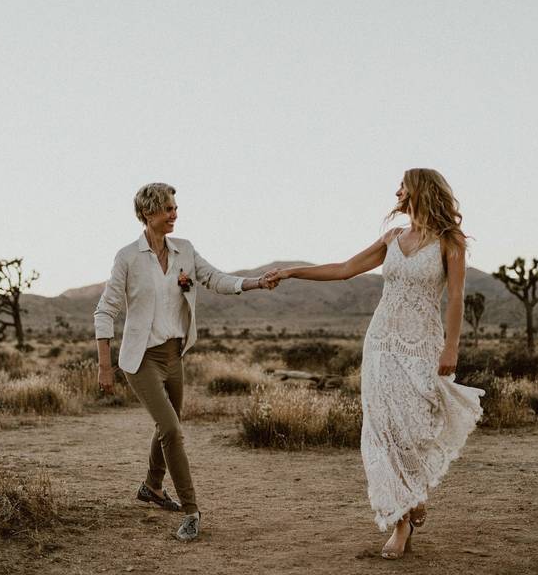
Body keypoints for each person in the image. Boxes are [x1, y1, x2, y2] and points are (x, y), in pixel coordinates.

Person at [266, 168, 484, 559]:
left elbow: (455, 297)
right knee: (383, 430)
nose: (397, 191)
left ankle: (415, 494)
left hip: (422, 346)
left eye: (403, 184)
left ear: (419, 190)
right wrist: (292, 271)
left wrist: (451, 348)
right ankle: (401, 520)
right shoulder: (392, 238)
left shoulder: (450, 242)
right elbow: (344, 269)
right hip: (381, 344)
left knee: (413, 429)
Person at [94, 182, 278, 542]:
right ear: (148, 213)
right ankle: (192, 510)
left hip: (174, 354)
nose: (175, 214)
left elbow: (215, 279)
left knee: (168, 426)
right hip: (141, 359)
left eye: (175, 208)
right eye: (168, 209)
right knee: (173, 430)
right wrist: (104, 365)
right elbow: (106, 309)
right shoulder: (127, 257)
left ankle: (151, 487)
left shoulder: (186, 251)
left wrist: (256, 282)